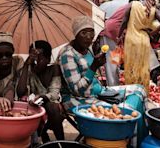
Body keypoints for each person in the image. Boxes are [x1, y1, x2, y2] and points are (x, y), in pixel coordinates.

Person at [59, 16, 148, 146]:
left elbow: (93, 76)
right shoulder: (67, 55)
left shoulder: (87, 49)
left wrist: (97, 67)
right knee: (126, 112)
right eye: (84, 33)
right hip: (77, 99)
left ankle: (140, 139)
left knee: (139, 90)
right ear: (76, 34)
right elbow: (77, 90)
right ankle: (130, 142)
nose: (89, 37)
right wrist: (94, 67)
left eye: (91, 32)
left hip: (97, 91)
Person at [117, 0, 160, 92]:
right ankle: (143, 91)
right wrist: (151, 33)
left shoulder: (133, 4)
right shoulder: (154, 10)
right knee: (143, 67)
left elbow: (124, 21)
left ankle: (130, 90)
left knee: (131, 66)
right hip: (144, 39)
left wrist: (119, 36)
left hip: (131, 39)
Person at [17, 41, 64, 142]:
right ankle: (42, 138)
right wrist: (26, 65)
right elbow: (20, 92)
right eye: (34, 57)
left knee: (52, 107)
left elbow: (54, 93)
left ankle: (61, 141)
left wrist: (43, 97)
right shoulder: (28, 69)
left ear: (48, 59)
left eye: (40, 58)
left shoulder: (53, 69)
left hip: (50, 102)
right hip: (32, 104)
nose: (36, 61)